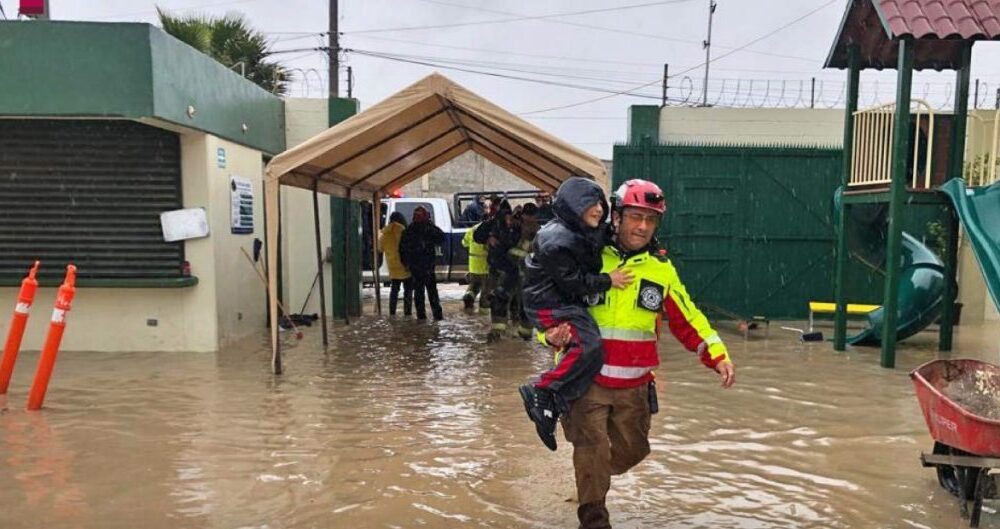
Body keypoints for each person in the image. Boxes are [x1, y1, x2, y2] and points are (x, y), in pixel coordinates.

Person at [542, 179, 735, 529]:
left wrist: (716, 353)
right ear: (615, 216)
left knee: (633, 450)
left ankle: (592, 476)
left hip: (634, 385)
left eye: (651, 219)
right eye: (635, 216)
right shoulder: (585, 257)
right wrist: (549, 336)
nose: (643, 226)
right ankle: (593, 511)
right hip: (585, 381)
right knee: (593, 447)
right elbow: (547, 303)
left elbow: (687, 317)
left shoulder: (660, 270)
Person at [518, 177, 633, 451]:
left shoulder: (579, 227)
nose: (599, 210)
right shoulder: (556, 241)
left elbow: (599, 235)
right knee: (590, 345)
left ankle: (553, 401)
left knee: (592, 349)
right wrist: (608, 280)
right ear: (573, 206)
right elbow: (574, 282)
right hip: (549, 302)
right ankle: (544, 391)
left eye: (600, 204)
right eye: (590, 204)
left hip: (560, 301)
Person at [474, 200, 523, 342]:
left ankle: (511, 331)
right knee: (499, 299)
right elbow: (478, 236)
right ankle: (501, 332)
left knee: (511, 301)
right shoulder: (493, 225)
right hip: (500, 269)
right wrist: (489, 237)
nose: (508, 221)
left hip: (511, 270)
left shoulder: (518, 227)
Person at [399, 206, 444, 321]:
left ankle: (421, 317)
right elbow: (441, 238)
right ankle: (437, 316)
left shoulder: (408, 231)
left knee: (419, 293)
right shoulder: (429, 228)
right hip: (427, 266)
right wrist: (430, 224)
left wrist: (406, 264)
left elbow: (402, 249)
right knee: (432, 292)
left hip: (416, 267)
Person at [378, 211, 412, 316]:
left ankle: (392, 313)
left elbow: (380, 248)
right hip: (404, 264)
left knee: (394, 291)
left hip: (393, 266)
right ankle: (407, 312)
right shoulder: (404, 231)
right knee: (408, 291)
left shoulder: (385, 233)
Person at [462, 219, 490, 311]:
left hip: (473, 266)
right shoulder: (491, 230)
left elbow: (464, 243)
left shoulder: (472, 229)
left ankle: (468, 297)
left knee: (474, 285)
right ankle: (483, 312)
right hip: (486, 267)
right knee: (485, 293)